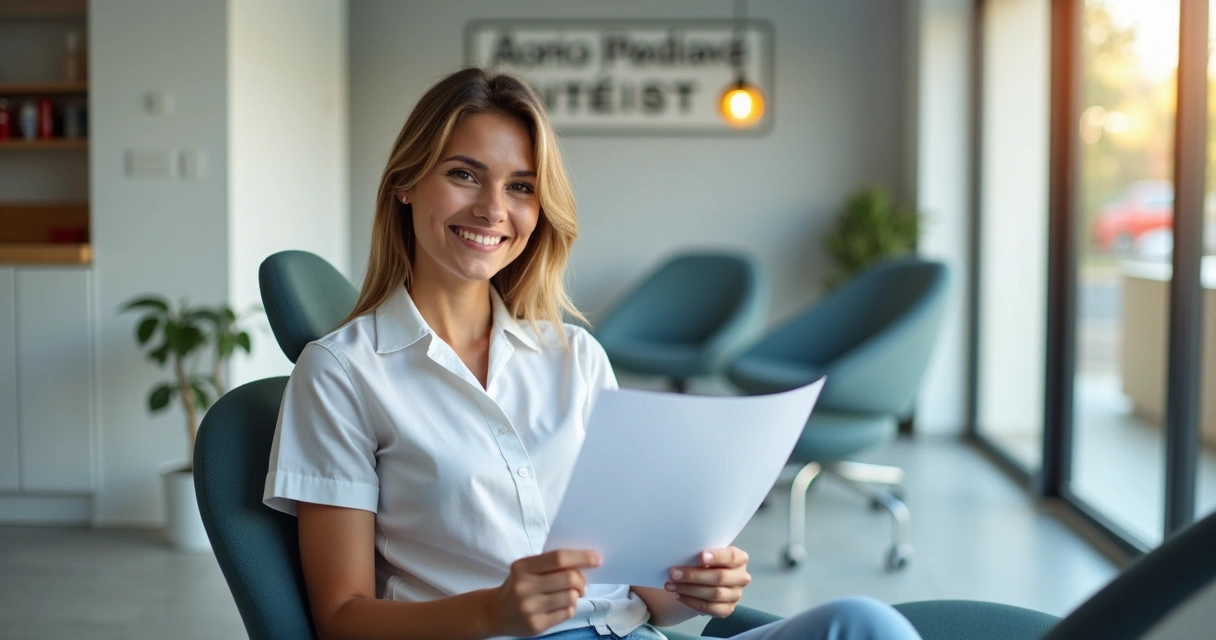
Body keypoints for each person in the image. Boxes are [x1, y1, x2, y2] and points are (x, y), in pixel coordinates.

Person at [263, 67, 923, 640]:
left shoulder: (574, 357)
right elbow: (341, 620)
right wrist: (492, 614)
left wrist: (693, 588)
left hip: (623, 635)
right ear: (406, 184)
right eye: (464, 175)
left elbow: (642, 595)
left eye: (521, 187)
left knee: (866, 626)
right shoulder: (342, 372)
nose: (493, 208)